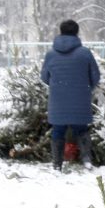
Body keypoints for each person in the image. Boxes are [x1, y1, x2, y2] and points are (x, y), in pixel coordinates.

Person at [41, 19, 101, 170]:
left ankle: (57, 164)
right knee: (81, 129)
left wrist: (57, 87)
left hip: (58, 100)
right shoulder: (85, 53)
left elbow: (44, 77)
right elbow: (95, 76)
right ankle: (86, 159)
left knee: (58, 130)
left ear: (60, 32)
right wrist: (85, 88)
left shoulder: (50, 54)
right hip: (80, 99)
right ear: (76, 33)